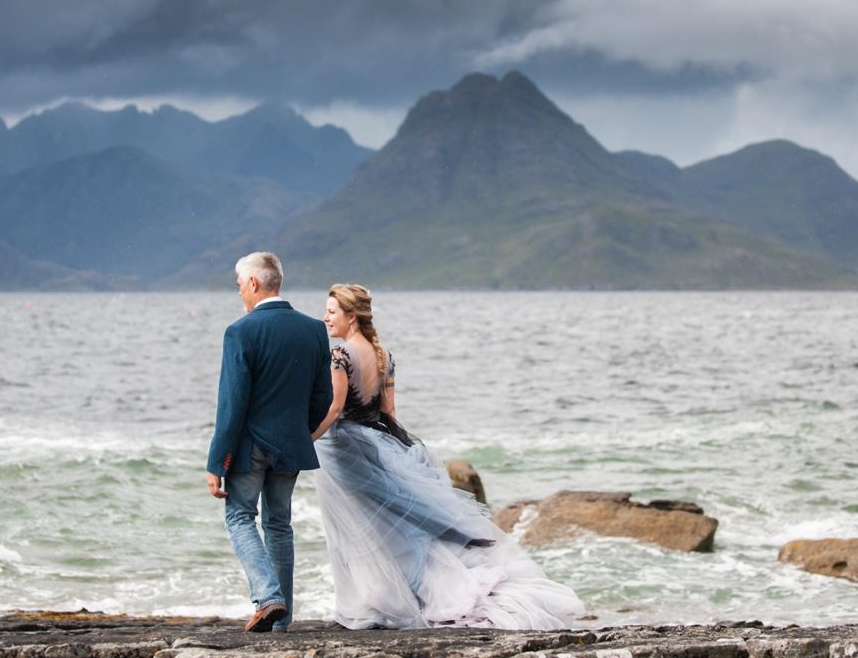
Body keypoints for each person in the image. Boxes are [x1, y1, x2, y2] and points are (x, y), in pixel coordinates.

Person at [311, 284, 581, 629]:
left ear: (351, 316)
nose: (325, 317)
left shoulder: (340, 355)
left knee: (359, 529)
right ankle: (400, 598)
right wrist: (404, 450)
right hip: (378, 443)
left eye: (331, 311)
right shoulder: (384, 356)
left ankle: (374, 603)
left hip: (346, 449)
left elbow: (334, 409)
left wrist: (306, 439)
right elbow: (389, 412)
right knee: (395, 525)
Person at [206, 251, 333, 632]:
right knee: (280, 524)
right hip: (291, 442)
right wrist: (301, 429)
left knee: (240, 516)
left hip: (250, 445)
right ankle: (282, 621)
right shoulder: (313, 329)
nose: (240, 293)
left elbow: (232, 405)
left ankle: (268, 596)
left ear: (254, 284)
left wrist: (216, 463)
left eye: (240, 285)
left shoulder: (241, 331)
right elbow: (322, 396)